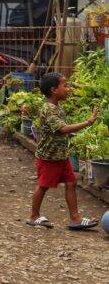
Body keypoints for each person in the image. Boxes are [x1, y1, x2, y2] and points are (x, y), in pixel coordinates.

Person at [27, 72, 100, 230]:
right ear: (54, 90)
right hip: (49, 157)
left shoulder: (56, 108)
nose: (68, 89)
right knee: (43, 185)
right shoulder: (49, 109)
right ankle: (33, 215)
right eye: (65, 85)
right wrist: (87, 122)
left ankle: (75, 219)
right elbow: (63, 129)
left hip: (60, 155)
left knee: (71, 182)